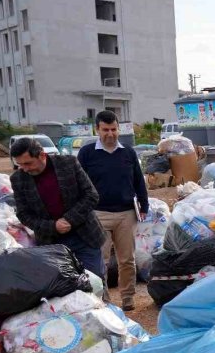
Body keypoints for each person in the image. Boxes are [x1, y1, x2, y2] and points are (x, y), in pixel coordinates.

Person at [77, 110, 149, 311]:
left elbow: (138, 181)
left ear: (119, 129)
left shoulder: (128, 152)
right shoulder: (87, 153)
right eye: (105, 130)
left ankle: (128, 298)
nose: (110, 133)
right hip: (98, 214)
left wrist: (144, 205)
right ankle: (104, 300)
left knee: (127, 260)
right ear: (97, 130)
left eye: (114, 129)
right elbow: (78, 183)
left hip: (126, 214)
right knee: (101, 261)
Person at [10, 137, 106, 278]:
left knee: (95, 282)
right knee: (61, 288)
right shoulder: (18, 179)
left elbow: (91, 195)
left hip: (84, 237)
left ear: (42, 155)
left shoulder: (68, 163)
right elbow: (23, 215)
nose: (24, 169)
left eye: (28, 163)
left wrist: (69, 220)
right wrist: (53, 226)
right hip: (51, 243)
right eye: (20, 164)